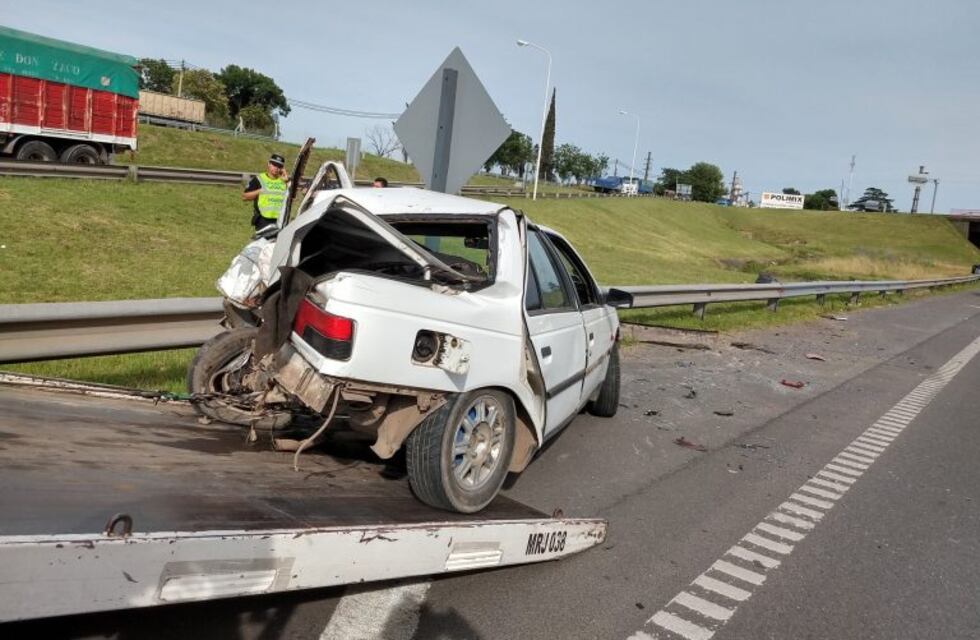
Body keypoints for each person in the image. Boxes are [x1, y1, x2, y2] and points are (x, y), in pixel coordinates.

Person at [243, 154, 289, 230]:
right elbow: (244, 197)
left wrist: (286, 180)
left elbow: (292, 198)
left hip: (280, 220)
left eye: (279, 166)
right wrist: (260, 191)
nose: (276, 168)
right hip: (263, 220)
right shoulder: (259, 179)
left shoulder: (284, 181)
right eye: (274, 165)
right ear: (268, 164)